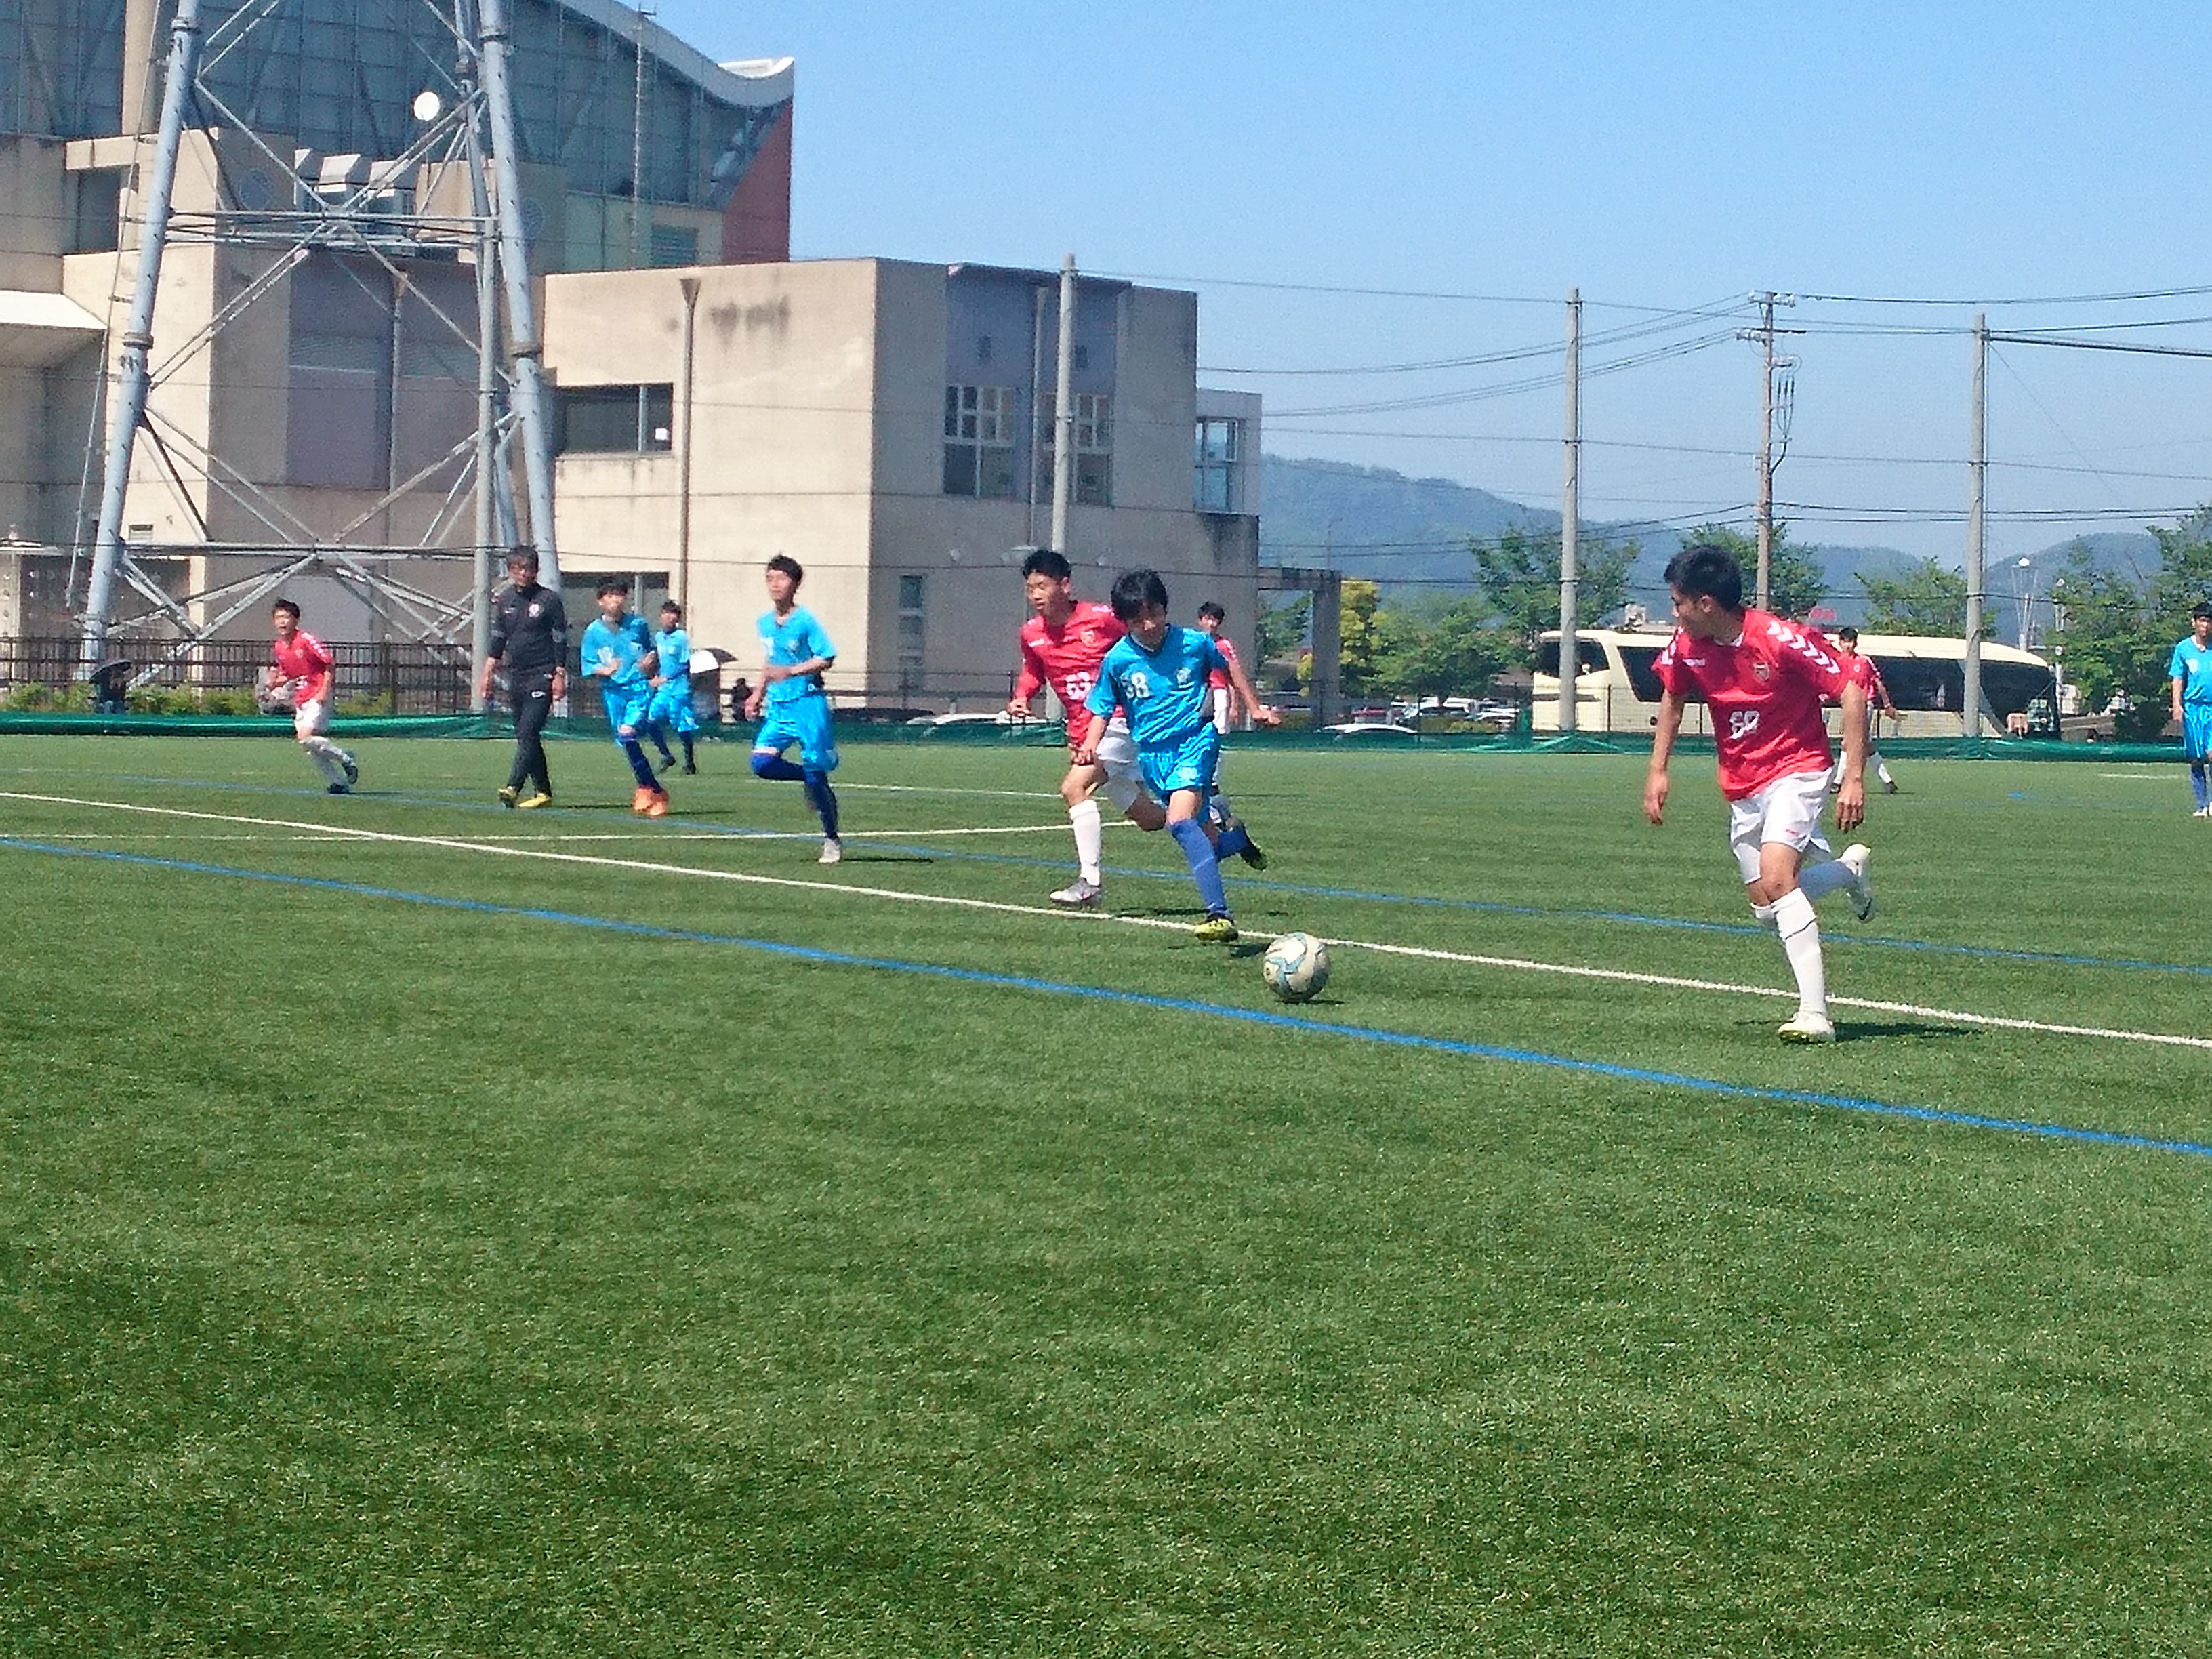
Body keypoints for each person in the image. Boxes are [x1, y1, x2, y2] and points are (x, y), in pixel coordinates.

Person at [1643, 542, 1874, 1045]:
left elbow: (1852, 692)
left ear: (1706, 603)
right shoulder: (1686, 646)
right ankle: (1847, 872)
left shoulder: (1779, 639)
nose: (1674, 613)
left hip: (1798, 768)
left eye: (1678, 603)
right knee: (1767, 907)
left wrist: (1853, 776)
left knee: (1778, 878)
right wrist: (1658, 771)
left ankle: (1815, 1015)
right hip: (1742, 783)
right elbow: (1673, 698)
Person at [1076, 568, 1280, 941]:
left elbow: (1230, 669)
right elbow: (1102, 706)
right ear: (1125, 622)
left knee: (1179, 821)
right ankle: (1237, 840)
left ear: (1165, 608)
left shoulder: (1194, 643)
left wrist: (1256, 709)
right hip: (1153, 757)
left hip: (1195, 742)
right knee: (1207, 843)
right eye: (1138, 620)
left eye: (1154, 613)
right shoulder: (1118, 660)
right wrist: (1091, 743)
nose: (1149, 624)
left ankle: (1219, 915)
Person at [1006, 548, 1172, 907]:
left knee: (1074, 787)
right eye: (1030, 588)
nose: (1035, 595)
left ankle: (1089, 883)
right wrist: (1022, 696)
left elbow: (1146, 639)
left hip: (1119, 724)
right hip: (1083, 734)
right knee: (1150, 819)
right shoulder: (1031, 633)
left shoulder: (1101, 619)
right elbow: (1034, 670)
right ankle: (1213, 822)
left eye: (1042, 586)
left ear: (1065, 585)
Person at [743, 554, 844, 863]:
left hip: (808, 704)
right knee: (761, 764)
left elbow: (826, 658)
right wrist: (757, 693)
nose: (775, 584)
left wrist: (792, 672)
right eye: (770, 578)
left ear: (795, 584)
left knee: (817, 771)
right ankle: (808, 781)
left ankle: (831, 839)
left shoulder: (806, 621)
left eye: (782, 578)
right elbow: (771, 660)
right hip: (780, 707)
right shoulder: (764, 622)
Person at [478, 548, 567, 809]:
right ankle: (543, 791)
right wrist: (488, 671)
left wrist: (559, 674)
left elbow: (560, 639)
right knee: (525, 736)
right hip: (517, 675)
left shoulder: (548, 600)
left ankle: (513, 787)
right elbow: (498, 638)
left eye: (528, 568)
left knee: (529, 731)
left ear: (536, 570)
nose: (523, 573)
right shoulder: (505, 599)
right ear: (510, 571)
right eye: (517, 569)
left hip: (543, 673)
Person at [579, 575, 670, 817]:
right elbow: (588, 664)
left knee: (628, 733)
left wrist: (652, 666)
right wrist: (605, 670)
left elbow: (650, 652)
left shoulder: (638, 624)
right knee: (626, 742)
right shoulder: (593, 632)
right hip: (613, 692)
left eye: (619, 595)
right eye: (610, 595)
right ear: (600, 601)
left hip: (638, 689)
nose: (616, 600)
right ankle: (645, 786)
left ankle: (655, 791)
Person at [266, 598, 359, 794]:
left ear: (295, 620)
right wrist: (275, 683)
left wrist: (324, 691)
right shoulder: (280, 646)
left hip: (316, 695)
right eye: (278, 618)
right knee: (310, 746)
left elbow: (329, 664)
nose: (282, 622)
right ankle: (339, 783)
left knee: (305, 738)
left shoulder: (306, 639)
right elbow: (289, 673)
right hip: (301, 698)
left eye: (286, 617)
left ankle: (345, 758)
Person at [1195, 598, 1249, 821]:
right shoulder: (1193, 643)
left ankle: (1212, 781)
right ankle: (1199, 780)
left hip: (1218, 694)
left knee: (1215, 736)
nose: (1212, 624)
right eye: (1208, 619)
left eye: (1216, 620)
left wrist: (1235, 704)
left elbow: (1232, 676)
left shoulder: (1223, 645)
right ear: (1200, 621)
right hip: (1198, 694)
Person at [1831, 626, 1900, 794]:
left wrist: (1887, 705)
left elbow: (1878, 683)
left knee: (1849, 742)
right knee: (1865, 744)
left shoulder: (1864, 661)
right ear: (1840, 643)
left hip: (1864, 705)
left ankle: (1837, 782)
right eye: (1845, 642)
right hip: (1848, 706)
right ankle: (1888, 781)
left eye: (1851, 642)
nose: (1849, 645)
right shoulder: (1837, 662)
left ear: (1856, 643)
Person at [647, 599, 700, 775]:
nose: (670, 618)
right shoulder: (658, 637)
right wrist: (652, 673)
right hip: (664, 690)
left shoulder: (681, 637)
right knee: (651, 722)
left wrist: (666, 678)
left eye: (674, 615)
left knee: (682, 727)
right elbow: (659, 660)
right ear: (661, 616)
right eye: (667, 614)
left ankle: (690, 762)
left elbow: (685, 664)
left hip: (679, 690)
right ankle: (666, 755)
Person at [2170, 600, 2212, 817]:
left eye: (2209, 621)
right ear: (2194, 622)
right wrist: (2177, 705)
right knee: (2196, 758)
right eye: (2202, 620)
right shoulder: (2183, 648)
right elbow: (2177, 678)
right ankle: (2202, 804)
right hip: (2193, 709)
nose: (2206, 625)